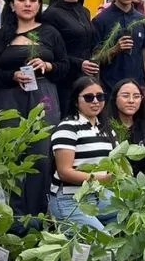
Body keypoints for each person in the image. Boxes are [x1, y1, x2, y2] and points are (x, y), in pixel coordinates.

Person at [0, 0, 67, 219]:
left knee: (41, 154)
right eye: (22, 0)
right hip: (8, 97)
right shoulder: (0, 35)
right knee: (11, 154)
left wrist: (48, 66)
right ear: (12, 4)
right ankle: (12, 217)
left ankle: (38, 215)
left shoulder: (50, 32)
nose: (28, 4)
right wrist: (11, 76)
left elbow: (65, 66)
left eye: (33, 0)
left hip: (43, 95)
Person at [49, 77, 118, 232]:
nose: (95, 101)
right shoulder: (68, 128)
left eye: (100, 97)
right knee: (103, 245)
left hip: (98, 197)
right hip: (70, 200)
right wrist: (102, 179)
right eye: (88, 97)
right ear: (76, 100)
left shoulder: (107, 129)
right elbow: (64, 172)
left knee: (130, 216)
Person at [43, 0, 98, 116]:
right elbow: (50, 52)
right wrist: (79, 64)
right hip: (65, 80)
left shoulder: (85, 11)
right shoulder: (51, 14)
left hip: (87, 78)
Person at [92, 0, 145, 93]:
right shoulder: (100, 20)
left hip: (137, 87)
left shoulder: (142, 20)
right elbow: (95, 59)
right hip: (110, 88)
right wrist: (115, 49)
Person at [104, 79, 145, 175]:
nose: (131, 101)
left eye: (136, 96)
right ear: (115, 98)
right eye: (125, 96)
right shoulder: (105, 127)